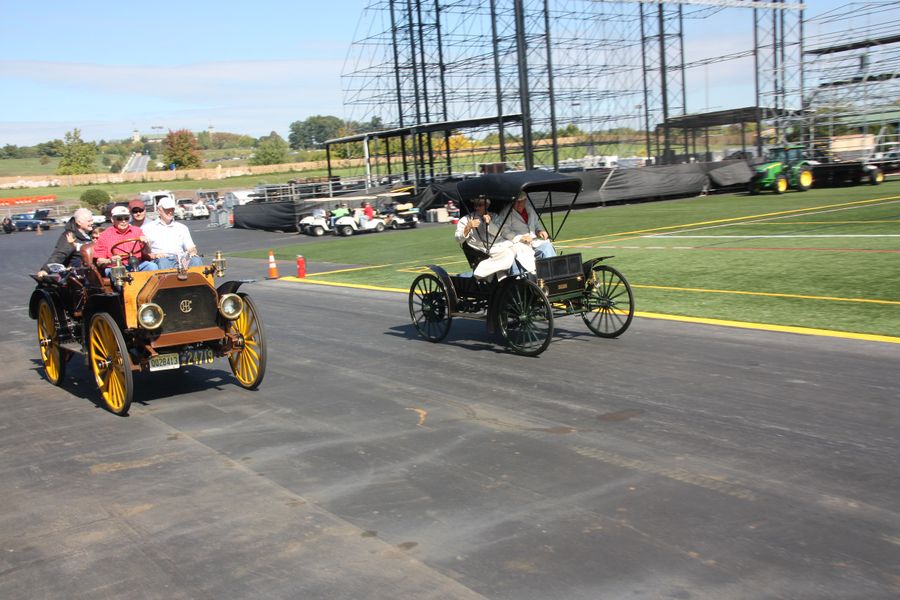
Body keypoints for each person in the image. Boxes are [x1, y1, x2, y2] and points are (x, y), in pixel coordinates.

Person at [455, 196, 525, 279]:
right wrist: (468, 227)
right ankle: (514, 276)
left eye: (480, 205)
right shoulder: (466, 219)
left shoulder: (494, 216)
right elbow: (458, 239)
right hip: (483, 248)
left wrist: (490, 223)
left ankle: (522, 274)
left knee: (520, 247)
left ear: (487, 205)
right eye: (475, 205)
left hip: (499, 243)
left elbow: (499, 233)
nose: (477, 207)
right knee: (508, 253)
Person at [143, 196, 202, 269]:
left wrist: (192, 251)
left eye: (172, 209)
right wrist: (154, 255)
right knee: (164, 262)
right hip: (161, 259)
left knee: (196, 260)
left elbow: (191, 247)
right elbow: (145, 252)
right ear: (159, 210)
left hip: (181, 259)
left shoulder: (182, 227)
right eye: (167, 209)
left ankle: (195, 280)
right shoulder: (147, 228)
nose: (170, 212)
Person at [35, 207, 95, 278]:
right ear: (79, 222)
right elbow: (60, 254)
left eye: (92, 220)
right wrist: (45, 270)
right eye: (89, 221)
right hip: (78, 272)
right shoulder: (70, 236)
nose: (92, 223)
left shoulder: (94, 233)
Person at [94, 206, 157, 271]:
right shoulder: (104, 235)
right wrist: (110, 261)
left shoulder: (137, 231)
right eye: (119, 218)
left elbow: (147, 252)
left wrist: (145, 243)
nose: (123, 221)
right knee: (119, 272)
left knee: (152, 266)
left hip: (137, 264)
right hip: (116, 267)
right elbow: (99, 261)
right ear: (112, 220)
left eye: (126, 218)